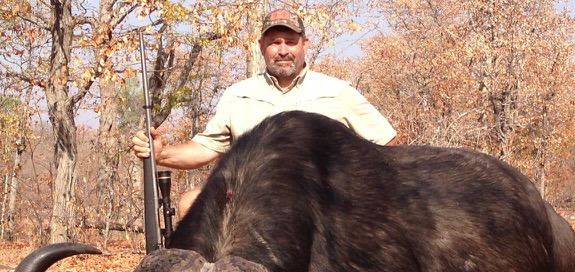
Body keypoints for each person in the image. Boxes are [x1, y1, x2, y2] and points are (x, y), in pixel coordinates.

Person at [132, 8, 397, 216]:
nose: (283, 51)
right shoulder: (238, 94)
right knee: (190, 202)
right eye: (274, 43)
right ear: (261, 46)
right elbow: (205, 148)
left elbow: (387, 145)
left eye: (290, 42)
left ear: (304, 44)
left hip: (320, 200)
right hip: (251, 199)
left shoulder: (337, 91)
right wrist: (160, 153)